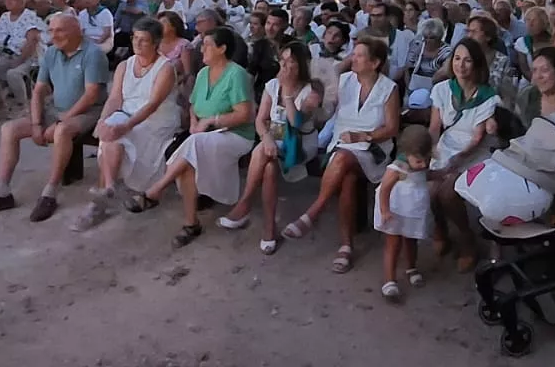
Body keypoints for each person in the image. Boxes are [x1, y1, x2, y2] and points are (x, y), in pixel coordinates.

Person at [0, 14, 109, 221]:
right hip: (56, 108)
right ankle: (1, 191)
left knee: (62, 131)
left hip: (89, 112)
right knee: (9, 129)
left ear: (77, 31)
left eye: (60, 30)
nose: (54, 35)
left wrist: (60, 121)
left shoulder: (93, 54)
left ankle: (50, 192)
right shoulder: (51, 53)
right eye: (51, 30)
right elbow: (39, 90)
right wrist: (36, 123)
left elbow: (91, 95)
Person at [124, 26, 255, 248]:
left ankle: (156, 191)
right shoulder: (204, 73)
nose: (200, 48)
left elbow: (244, 114)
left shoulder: (237, 74)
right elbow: (193, 105)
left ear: (222, 49)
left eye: (207, 45)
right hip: (203, 134)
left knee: (191, 144)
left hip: (234, 135)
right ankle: (191, 223)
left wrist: (211, 121)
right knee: (188, 160)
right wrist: (195, 123)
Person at [281, 36, 400, 275]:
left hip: (372, 149)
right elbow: (326, 108)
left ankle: (313, 213)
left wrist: (362, 136)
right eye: (353, 54)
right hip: (342, 147)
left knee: (343, 159)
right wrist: (314, 100)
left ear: (375, 62)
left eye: (358, 55)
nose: (352, 59)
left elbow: (392, 128)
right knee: (347, 176)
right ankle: (345, 246)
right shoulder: (344, 81)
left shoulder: (389, 88)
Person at [218, 40, 323, 254]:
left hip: (300, 140)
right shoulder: (271, 85)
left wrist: (287, 92)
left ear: (302, 64)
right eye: (282, 60)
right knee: (268, 165)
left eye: (291, 61)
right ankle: (269, 227)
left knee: (264, 154)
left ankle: (245, 203)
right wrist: (265, 137)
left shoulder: (312, 90)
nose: (284, 66)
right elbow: (260, 120)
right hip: (275, 134)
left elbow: (295, 123)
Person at [79, 19, 182, 231]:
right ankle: (108, 187)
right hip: (127, 113)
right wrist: (102, 120)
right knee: (109, 131)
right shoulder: (124, 65)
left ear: (155, 43)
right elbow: (115, 98)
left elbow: (153, 105)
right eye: (135, 38)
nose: (137, 43)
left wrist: (125, 126)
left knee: (120, 133)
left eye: (144, 40)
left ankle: (105, 193)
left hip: (156, 121)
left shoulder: (165, 68)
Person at [427, 38, 503, 272]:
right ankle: (440, 228)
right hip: (446, 146)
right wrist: (429, 152)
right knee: (429, 189)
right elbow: (434, 127)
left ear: (477, 64)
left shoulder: (488, 97)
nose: (461, 65)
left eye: (468, 60)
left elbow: (477, 138)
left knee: (449, 193)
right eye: (457, 59)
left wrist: (454, 162)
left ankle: (466, 240)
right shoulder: (442, 89)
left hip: (474, 153)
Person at [376, 125, 433, 302]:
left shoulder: (421, 163)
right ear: (406, 152)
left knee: (411, 240)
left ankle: (411, 267)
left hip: (413, 210)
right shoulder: (397, 168)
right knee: (393, 243)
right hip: (396, 209)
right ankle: (389, 279)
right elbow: (385, 189)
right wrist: (384, 211)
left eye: (427, 160)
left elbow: (426, 175)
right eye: (419, 161)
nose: (423, 165)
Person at [0, 0, 46, 108]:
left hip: (28, 57)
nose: (8, 2)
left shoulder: (30, 16)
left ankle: (23, 105)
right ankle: (1, 103)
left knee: (12, 74)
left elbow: (32, 42)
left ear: (21, 2)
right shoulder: (5, 16)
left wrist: (19, 60)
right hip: (6, 54)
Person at [400, 18, 450, 119]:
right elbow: (407, 68)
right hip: (413, 89)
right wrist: (409, 87)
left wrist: (431, 90)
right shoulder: (417, 45)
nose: (427, 41)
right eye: (425, 37)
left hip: (435, 91)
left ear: (439, 37)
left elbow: (445, 72)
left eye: (432, 38)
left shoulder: (447, 51)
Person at [511, 5, 552, 80]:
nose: (530, 24)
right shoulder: (522, 42)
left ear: (544, 22)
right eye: (528, 20)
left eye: (534, 20)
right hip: (530, 82)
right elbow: (525, 70)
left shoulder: (554, 40)